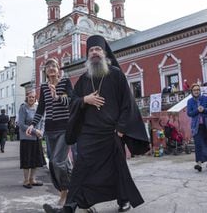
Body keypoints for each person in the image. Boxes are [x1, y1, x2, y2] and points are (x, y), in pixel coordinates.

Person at [43, 35, 150, 213]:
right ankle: (69, 207)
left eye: (97, 49)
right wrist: (85, 99)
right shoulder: (84, 79)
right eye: (91, 50)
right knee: (80, 170)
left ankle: (123, 200)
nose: (94, 52)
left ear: (104, 53)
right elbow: (73, 100)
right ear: (88, 55)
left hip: (111, 133)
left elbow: (127, 103)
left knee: (117, 168)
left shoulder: (115, 74)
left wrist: (122, 128)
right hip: (89, 134)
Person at [26, 58, 73, 207]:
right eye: (48, 66)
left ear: (58, 69)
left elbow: (72, 100)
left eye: (54, 65)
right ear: (45, 71)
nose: (51, 68)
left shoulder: (65, 82)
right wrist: (32, 125)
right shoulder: (44, 87)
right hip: (50, 130)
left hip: (65, 128)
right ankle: (69, 187)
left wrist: (57, 97)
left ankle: (65, 192)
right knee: (53, 163)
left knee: (58, 162)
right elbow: (41, 109)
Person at [17, 90, 46, 189]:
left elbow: (42, 121)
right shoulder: (23, 108)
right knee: (27, 159)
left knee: (35, 159)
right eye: (29, 97)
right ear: (26, 97)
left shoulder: (38, 108)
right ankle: (26, 181)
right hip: (27, 138)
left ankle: (32, 179)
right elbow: (21, 124)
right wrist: (35, 131)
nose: (31, 99)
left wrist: (41, 132)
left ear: (35, 98)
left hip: (37, 138)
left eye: (33, 97)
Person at [186, 83, 207, 172]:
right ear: (192, 91)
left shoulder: (205, 98)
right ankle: (198, 163)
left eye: (198, 90)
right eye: (194, 90)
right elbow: (189, 113)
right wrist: (197, 110)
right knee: (198, 144)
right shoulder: (190, 101)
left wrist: (204, 110)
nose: (196, 91)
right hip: (196, 126)